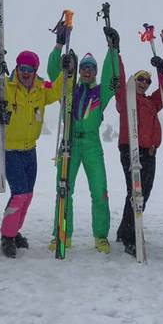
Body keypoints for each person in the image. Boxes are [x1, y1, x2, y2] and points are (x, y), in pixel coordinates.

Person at [0, 44, 64, 258]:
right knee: (20, 194)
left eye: (29, 69)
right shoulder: (4, 85)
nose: (25, 73)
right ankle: (7, 236)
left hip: (29, 150)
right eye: (22, 68)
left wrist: (67, 72)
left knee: (27, 195)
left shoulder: (42, 89)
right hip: (9, 150)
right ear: (17, 68)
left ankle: (14, 231)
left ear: (35, 71)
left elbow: (60, 89)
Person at [47, 25, 120, 255]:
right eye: (84, 67)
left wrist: (113, 49)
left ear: (95, 71)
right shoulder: (67, 87)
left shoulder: (101, 92)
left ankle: (100, 236)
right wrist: (59, 45)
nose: (87, 70)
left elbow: (112, 75)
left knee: (99, 191)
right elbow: (52, 72)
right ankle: (62, 234)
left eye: (91, 68)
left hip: (92, 144)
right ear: (79, 70)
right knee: (63, 189)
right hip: (69, 142)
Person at [113, 30, 163, 257]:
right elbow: (120, 78)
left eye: (147, 81)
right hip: (130, 148)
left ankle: (124, 229)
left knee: (143, 192)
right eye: (141, 79)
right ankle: (130, 235)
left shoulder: (150, 102)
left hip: (150, 151)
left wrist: (162, 71)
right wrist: (116, 52)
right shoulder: (126, 98)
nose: (145, 83)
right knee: (136, 192)